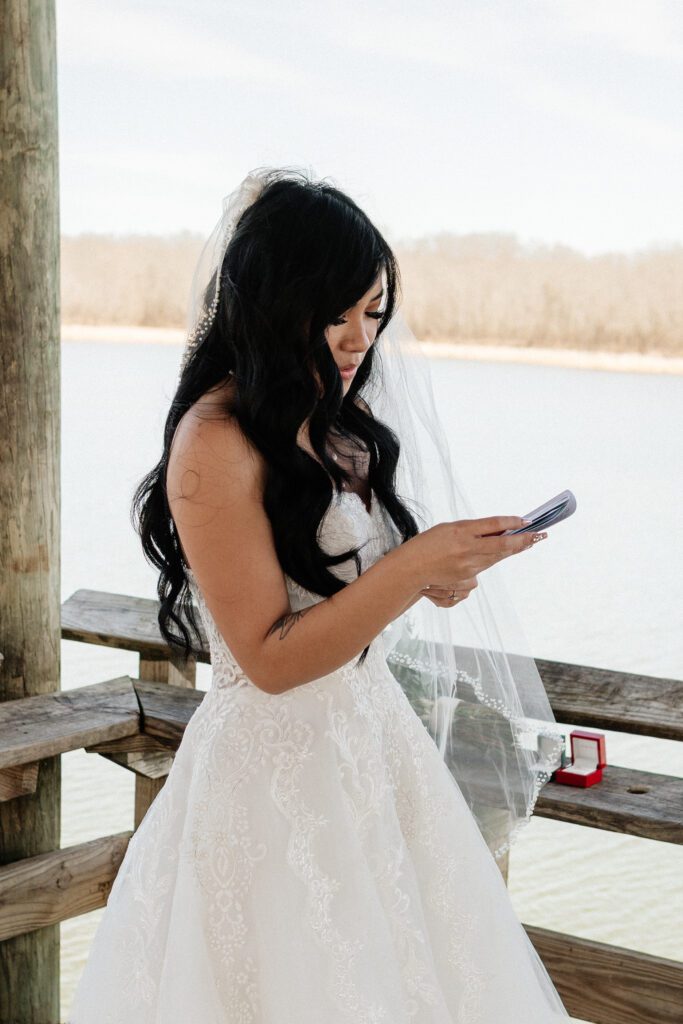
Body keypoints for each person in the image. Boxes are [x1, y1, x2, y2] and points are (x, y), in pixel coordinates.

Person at [67, 168, 568, 1023]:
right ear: (275, 298)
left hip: (369, 746)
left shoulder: (330, 424)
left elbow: (348, 606)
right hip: (270, 778)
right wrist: (408, 570)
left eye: (373, 314)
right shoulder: (214, 439)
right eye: (338, 311)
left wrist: (433, 576)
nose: (358, 338)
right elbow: (267, 658)